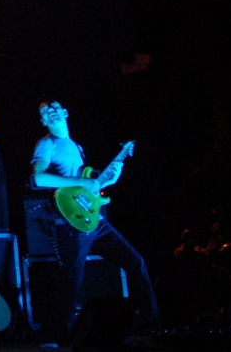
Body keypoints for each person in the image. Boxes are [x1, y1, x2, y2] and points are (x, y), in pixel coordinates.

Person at [30, 99, 160, 347]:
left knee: (135, 262)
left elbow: (91, 185)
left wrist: (110, 177)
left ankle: (151, 324)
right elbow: (39, 177)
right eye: (46, 111)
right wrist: (86, 184)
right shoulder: (47, 144)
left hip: (94, 218)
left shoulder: (76, 146)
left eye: (55, 107)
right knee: (73, 278)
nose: (51, 111)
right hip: (70, 219)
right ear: (43, 121)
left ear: (66, 112)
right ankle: (52, 335)